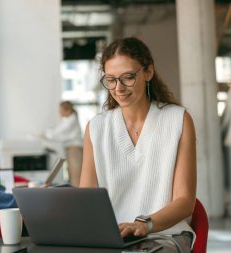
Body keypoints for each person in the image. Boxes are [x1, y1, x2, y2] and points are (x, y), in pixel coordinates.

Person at [79, 37, 196, 252]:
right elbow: (87, 201)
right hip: (112, 239)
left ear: (148, 72)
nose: (119, 88)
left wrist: (144, 224)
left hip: (166, 236)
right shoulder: (96, 128)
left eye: (128, 77)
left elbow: (185, 201)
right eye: (111, 79)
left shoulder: (178, 120)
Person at [43, 101, 83, 186]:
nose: (59, 112)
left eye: (61, 110)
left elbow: (58, 133)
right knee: (71, 174)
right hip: (70, 150)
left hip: (75, 150)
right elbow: (56, 130)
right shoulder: (66, 120)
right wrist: (48, 134)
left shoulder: (72, 120)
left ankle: (78, 197)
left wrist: (46, 135)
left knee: (75, 175)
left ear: (68, 110)